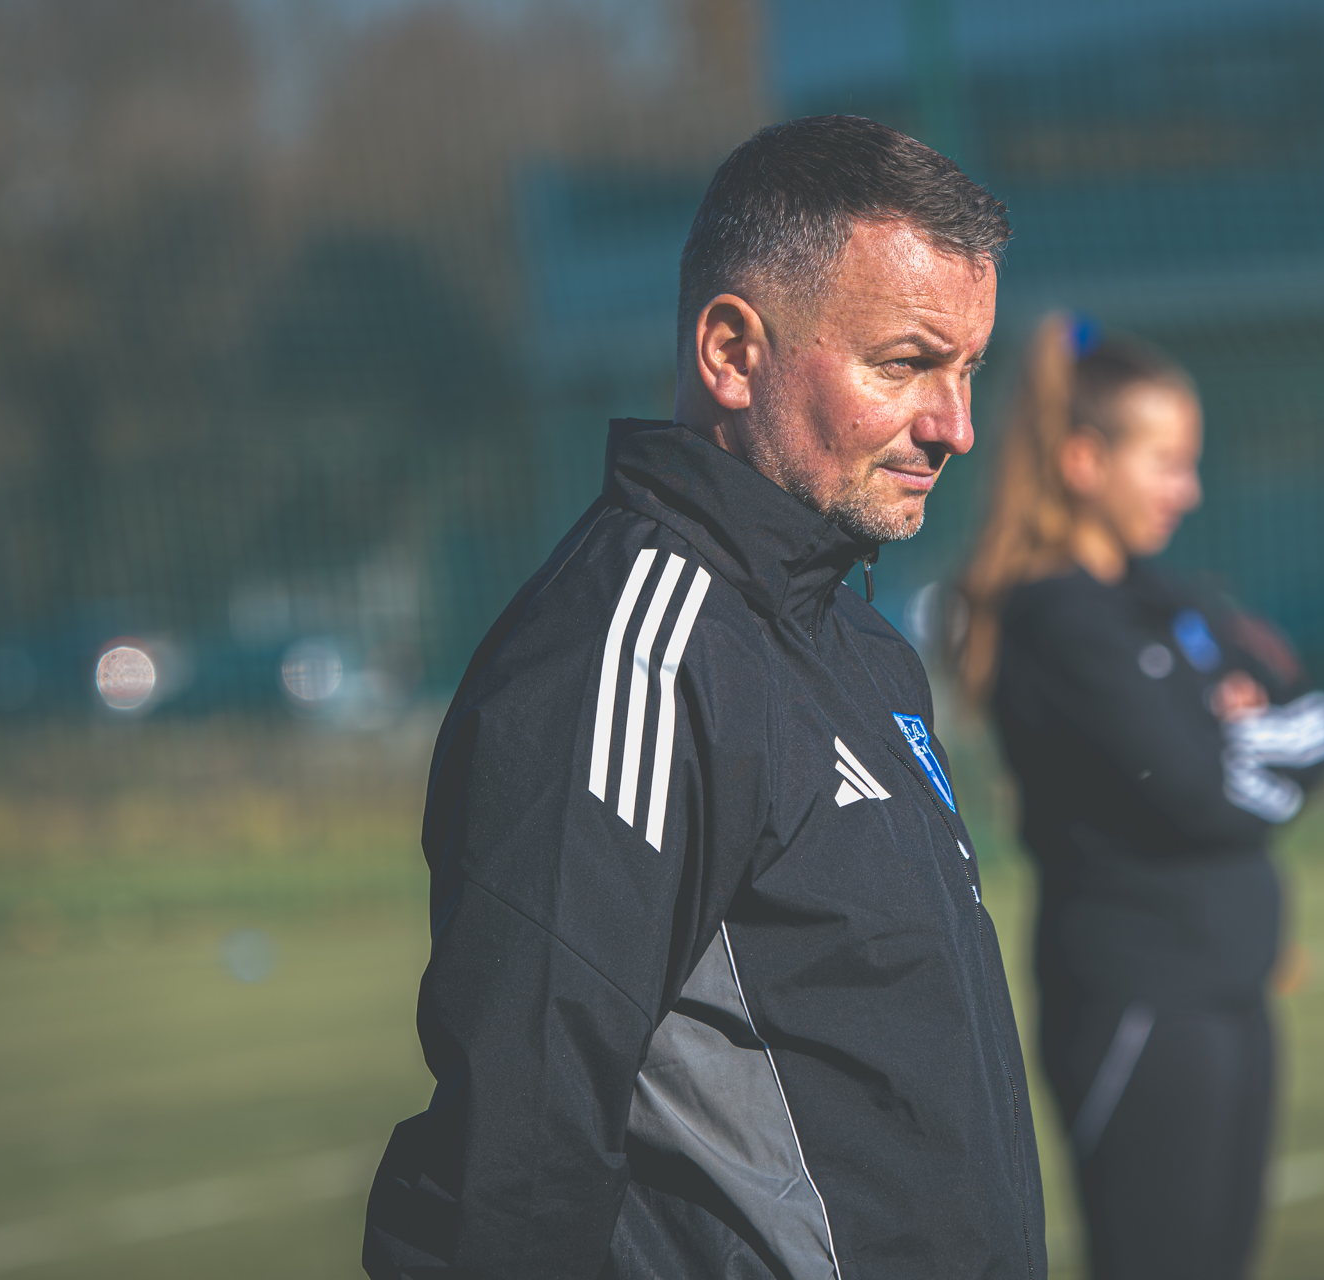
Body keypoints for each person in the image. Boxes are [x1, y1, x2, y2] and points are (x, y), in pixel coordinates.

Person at [363, 117, 1045, 1280]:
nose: (957, 427)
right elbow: (512, 1171)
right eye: (904, 364)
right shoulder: (626, 658)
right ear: (731, 352)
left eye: (968, 369)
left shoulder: (864, 646)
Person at [956, 315, 1324, 1280]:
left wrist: (1226, 737)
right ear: (1085, 462)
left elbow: (1322, 725)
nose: (1190, 490)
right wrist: (1232, 736)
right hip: (1140, 1001)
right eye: (1167, 463)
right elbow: (1198, 794)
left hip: (1233, 989)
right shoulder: (1058, 619)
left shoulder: (1176, 600)